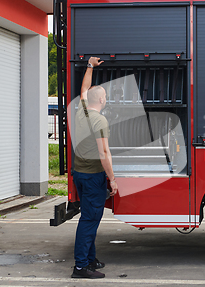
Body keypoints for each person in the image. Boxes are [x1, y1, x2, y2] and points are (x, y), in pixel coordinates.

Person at [71, 56, 118, 279]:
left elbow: (84, 88)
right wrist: (113, 179)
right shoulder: (100, 121)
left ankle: (90, 260)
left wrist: (90, 66)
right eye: (106, 96)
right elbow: (104, 153)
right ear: (101, 100)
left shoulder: (82, 110)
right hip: (92, 177)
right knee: (89, 220)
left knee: (90, 218)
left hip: (79, 174)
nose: (106, 99)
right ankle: (80, 267)